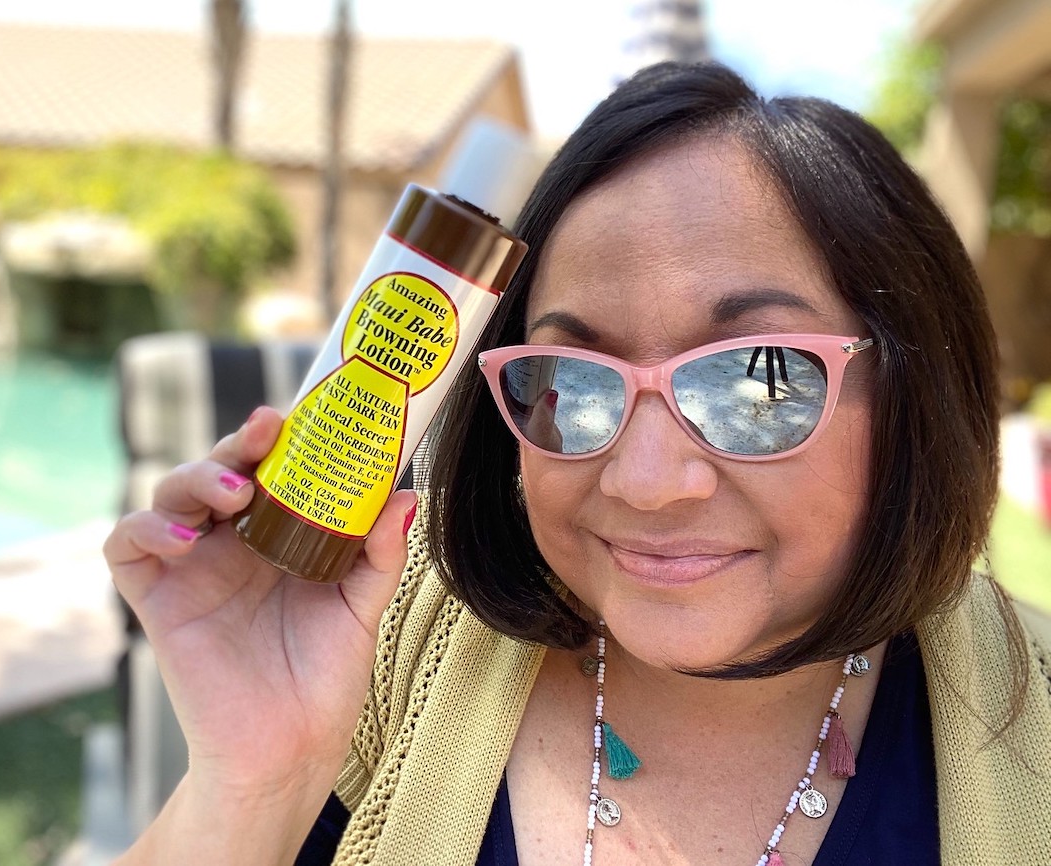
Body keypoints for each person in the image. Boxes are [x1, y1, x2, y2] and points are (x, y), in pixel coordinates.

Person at [104, 61, 1051, 866]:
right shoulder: (383, 642)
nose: (643, 481)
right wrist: (251, 781)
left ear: (915, 392)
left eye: (758, 384)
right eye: (572, 380)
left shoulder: (1032, 713)